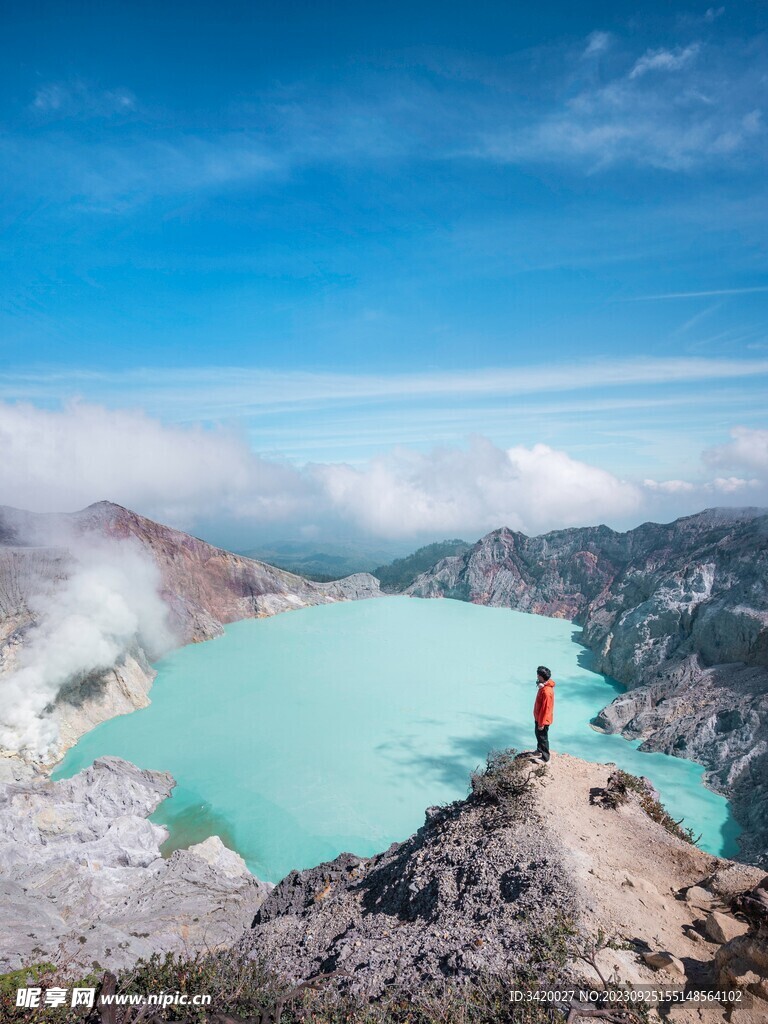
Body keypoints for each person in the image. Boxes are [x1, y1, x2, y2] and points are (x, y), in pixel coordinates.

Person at [533, 665, 555, 762]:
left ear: (542, 677)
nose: (537, 676)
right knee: (538, 735)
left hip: (543, 719)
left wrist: (541, 723)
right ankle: (539, 750)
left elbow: (546, 709)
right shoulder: (544, 687)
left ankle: (545, 758)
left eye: (538, 675)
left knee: (543, 737)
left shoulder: (546, 692)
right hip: (539, 718)